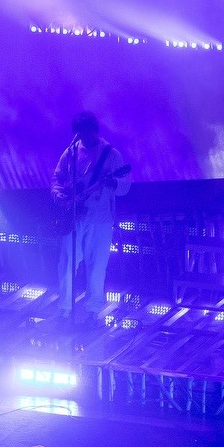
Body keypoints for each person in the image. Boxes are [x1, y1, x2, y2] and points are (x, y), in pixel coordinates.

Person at [51, 111, 131, 324]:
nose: (83, 137)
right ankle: (65, 309)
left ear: (94, 130)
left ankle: (93, 311)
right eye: (80, 133)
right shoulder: (70, 153)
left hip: (100, 219)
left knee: (96, 266)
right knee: (67, 263)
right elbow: (57, 178)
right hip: (74, 217)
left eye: (86, 132)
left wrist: (112, 183)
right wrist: (59, 194)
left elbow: (125, 185)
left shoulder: (111, 155)